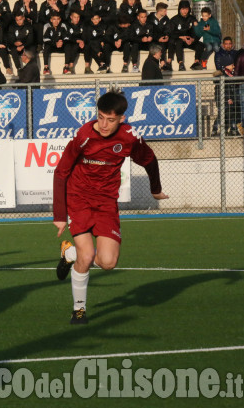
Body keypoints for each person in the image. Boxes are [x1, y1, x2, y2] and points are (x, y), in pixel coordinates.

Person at [53, 90, 169, 324]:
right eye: (100, 117)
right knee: (87, 256)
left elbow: (149, 160)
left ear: (122, 119)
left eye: (111, 119)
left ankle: (69, 253)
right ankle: (79, 310)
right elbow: (62, 171)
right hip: (80, 199)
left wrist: (155, 189)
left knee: (107, 262)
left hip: (106, 202)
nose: (104, 124)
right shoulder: (84, 135)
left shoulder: (130, 137)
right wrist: (59, 214)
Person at [167, 0, 204, 71]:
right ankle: (181, 64)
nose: (185, 11)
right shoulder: (174, 20)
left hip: (190, 41)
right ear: (179, 9)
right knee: (178, 42)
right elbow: (171, 33)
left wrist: (193, 39)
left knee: (201, 45)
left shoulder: (192, 19)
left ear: (189, 9)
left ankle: (196, 62)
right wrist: (181, 37)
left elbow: (198, 32)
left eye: (186, 9)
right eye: (183, 9)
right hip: (180, 40)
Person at [148, 3, 170, 69]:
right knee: (153, 46)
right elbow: (150, 31)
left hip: (162, 39)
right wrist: (157, 38)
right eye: (164, 11)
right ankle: (152, 64)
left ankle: (162, 62)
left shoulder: (166, 19)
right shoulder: (150, 18)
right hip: (153, 39)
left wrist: (167, 36)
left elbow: (168, 29)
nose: (166, 12)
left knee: (163, 44)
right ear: (159, 11)